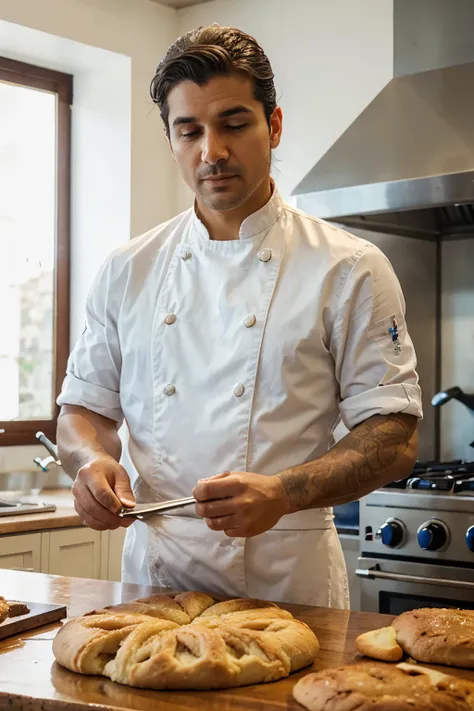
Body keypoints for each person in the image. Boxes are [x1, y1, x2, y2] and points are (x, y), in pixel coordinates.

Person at [56, 25, 422, 608]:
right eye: (190, 131)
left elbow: (394, 436)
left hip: (288, 580)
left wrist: (283, 491)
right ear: (171, 139)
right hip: (155, 577)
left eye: (233, 124)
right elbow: (83, 409)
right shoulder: (128, 268)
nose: (212, 152)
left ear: (273, 125)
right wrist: (93, 461)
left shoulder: (350, 267)